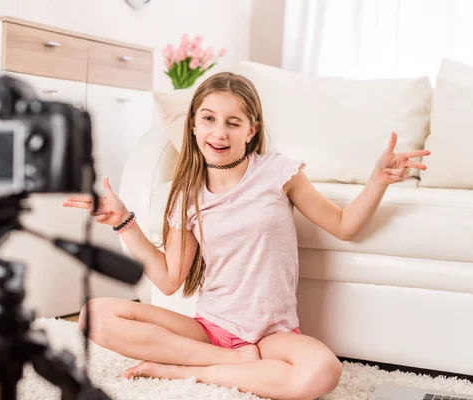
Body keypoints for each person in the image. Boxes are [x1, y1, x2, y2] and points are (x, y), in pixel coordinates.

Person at [62, 71, 430, 400]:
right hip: (210, 331)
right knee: (92, 315)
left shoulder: (277, 172)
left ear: (251, 130)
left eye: (233, 123)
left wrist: (378, 179)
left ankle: (186, 370)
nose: (219, 132)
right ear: (193, 125)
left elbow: (344, 225)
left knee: (324, 371)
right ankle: (226, 362)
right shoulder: (187, 194)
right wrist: (123, 220)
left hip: (272, 338)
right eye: (208, 119)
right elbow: (169, 279)